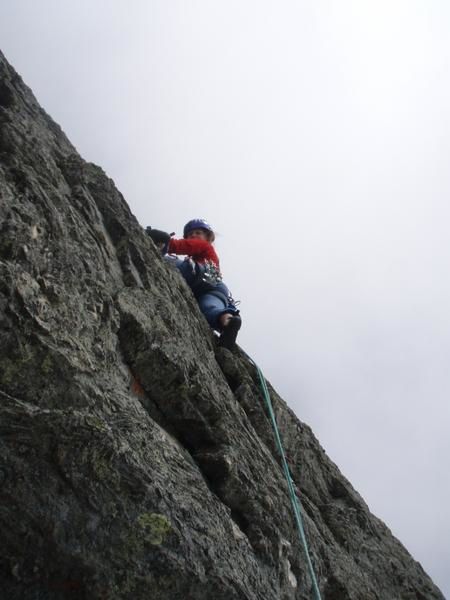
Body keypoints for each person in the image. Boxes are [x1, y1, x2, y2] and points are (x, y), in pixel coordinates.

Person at [146, 218, 241, 349]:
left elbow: (187, 245)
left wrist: (167, 243)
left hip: (199, 273)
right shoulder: (209, 257)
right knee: (210, 307)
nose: (194, 236)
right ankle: (228, 321)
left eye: (198, 232)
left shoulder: (204, 246)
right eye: (190, 234)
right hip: (215, 287)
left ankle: (159, 248)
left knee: (172, 263)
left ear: (208, 238)